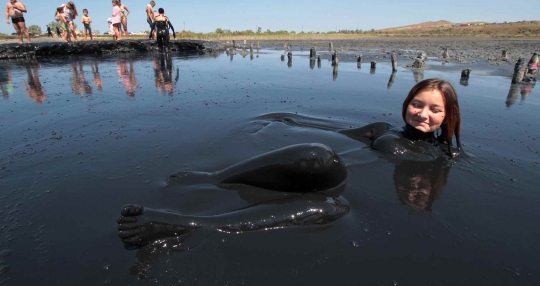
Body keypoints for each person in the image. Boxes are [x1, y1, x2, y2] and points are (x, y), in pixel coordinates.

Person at [117, 78, 462, 247]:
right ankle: (214, 178)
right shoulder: (382, 129)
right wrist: (291, 119)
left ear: (448, 117)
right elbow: (336, 129)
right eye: (417, 104)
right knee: (317, 153)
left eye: (434, 109)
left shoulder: (445, 155)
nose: (422, 113)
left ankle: (188, 224)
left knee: (333, 209)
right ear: (406, 103)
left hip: (349, 193)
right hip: (334, 171)